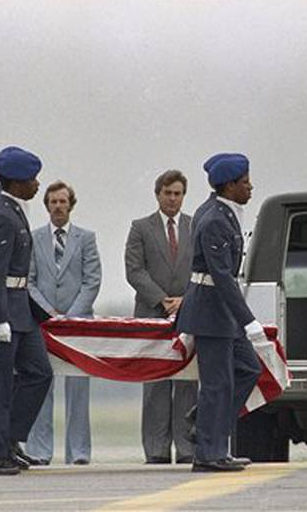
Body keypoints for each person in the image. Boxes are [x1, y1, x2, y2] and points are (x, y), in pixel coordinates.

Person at [0, 146, 54, 476]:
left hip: (20, 309)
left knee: (38, 372)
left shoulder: (8, 206)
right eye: (32, 179)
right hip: (3, 307)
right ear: (16, 182)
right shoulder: (2, 214)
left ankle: (7, 441)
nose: (37, 185)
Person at [175, 153, 265, 472]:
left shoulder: (224, 213)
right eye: (244, 182)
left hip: (220, 309)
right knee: (217, 383)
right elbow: (222, 276)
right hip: (211, 310)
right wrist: (249, 320)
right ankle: (208, 454)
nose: (250, 187)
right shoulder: (214, 219)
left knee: (248, 369)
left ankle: (206, 425)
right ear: (228, 186)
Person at [26, 181, 101, 465]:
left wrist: (70, 316)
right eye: (53, 202)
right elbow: (29, 282)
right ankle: (39, 451)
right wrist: (49, 314)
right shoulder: (34, 239)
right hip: (43, 325)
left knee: (78, 389)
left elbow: (92, 281)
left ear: (71, 204)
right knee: (41, 387)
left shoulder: (86, 239)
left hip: (79, 325)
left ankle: (78, 453)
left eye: (63, 201)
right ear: (47, 205)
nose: (58, 206)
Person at [125, 170, 197, 464]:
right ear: (158, 194)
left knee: (187, 381)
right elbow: (134, 270)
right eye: (167, 193)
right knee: (155, 383)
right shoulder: (141, 227)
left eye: (178, 193)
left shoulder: (196, 226)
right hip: (151, 315)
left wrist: (186, 300)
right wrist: (161, 299)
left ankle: (187, 447)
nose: (172, 199)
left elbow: (204, 269)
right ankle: (155, 449)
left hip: (189, 313)